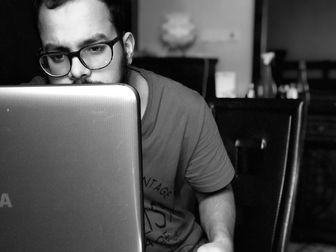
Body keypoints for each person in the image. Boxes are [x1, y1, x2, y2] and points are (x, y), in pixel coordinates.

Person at [31, 0, 236, 251]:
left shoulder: (186, 108)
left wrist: (221, 240)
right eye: (58, 56)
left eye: (95, 48)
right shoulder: (20, 114)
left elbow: (214, 191)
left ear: (127, 48)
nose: (76, 71)